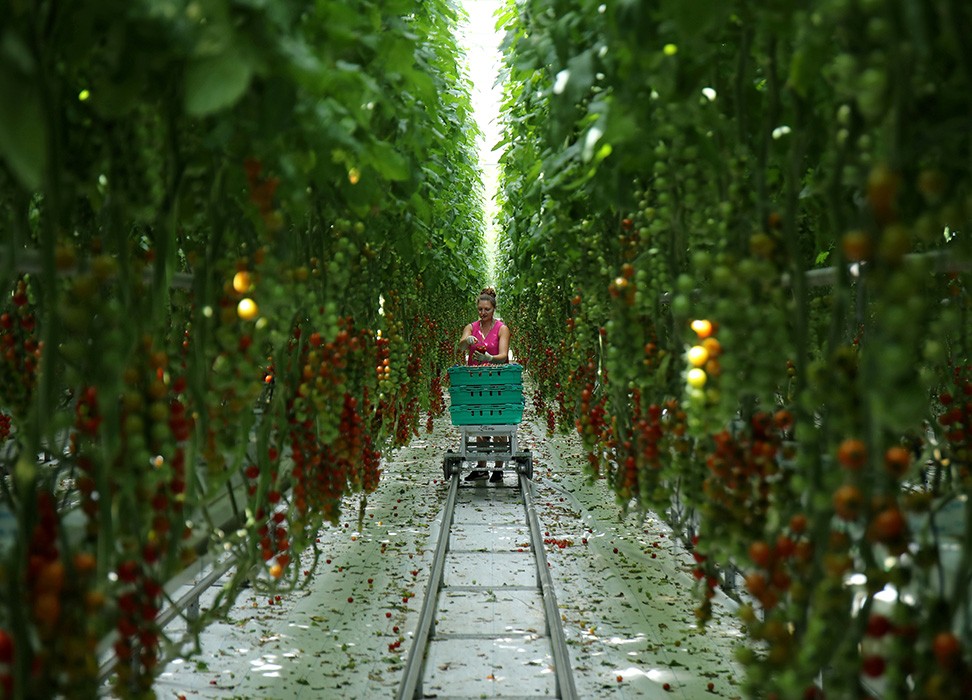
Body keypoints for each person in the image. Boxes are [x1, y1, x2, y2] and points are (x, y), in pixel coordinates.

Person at [457, 287, 511, 482]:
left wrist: (489, 357)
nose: (483, 313)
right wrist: (467, 341)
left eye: (487, 309)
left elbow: (504, 356)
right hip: (476, 381)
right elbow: (461, 344)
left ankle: (498, 466)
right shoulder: (471, 327)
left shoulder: (502, 329)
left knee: (498, 421)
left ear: (494, 309)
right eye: (480, 309)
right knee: (479, 419)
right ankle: (481, 467)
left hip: (496, 380)